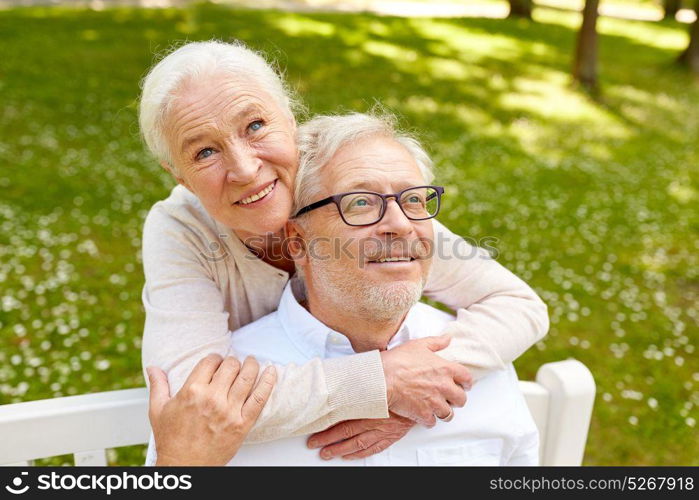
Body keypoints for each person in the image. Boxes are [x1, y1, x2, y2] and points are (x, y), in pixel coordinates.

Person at [139, 40, 548, 465]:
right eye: (204, 152)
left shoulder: (340, 184)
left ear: (290, 121)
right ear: (181, 177)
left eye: (256, 126)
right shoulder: (181, 229)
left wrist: (424, 384)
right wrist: (379, 384)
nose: (244, 168)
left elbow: (518, 305)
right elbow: (193, 408)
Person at [224, 112, 539, 465]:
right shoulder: (228, 384)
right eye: (361, 202)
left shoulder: (480, 353)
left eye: (414, 200)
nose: (402, 225)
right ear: (298, 242)